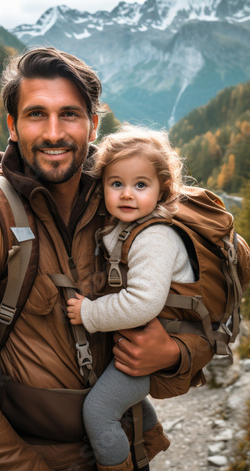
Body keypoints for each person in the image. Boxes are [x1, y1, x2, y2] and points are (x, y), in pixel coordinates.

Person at [0, 47, 213, 471]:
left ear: (93, 124)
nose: (54, 132)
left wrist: (173, 353)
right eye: (37, 114)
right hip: (34, 456)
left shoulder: (127, 209)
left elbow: (200, 317)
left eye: (70, 114)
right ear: (12, 126)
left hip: (129, 451)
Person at [66, 125, 195, 468]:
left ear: (161, 189)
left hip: (155, 342)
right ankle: (151, 441)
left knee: (98, 412)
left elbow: (142, 304)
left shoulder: (154, 238)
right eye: (116, 183)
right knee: (121, 396)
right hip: (144, 337)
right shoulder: (128, 226)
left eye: (141, 185)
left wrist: (89, 313)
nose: (127, 194)